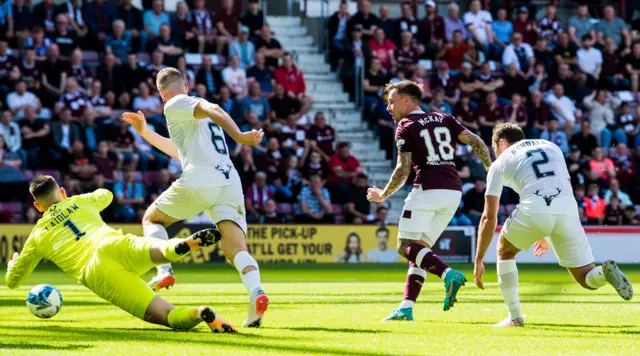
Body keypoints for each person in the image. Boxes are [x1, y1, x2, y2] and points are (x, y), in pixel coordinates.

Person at [122, 67, 269, 328]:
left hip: (202, 178)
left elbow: (215, 108)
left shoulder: (175, 104)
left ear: (161, 93)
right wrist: (144, 132)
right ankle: (257, 292)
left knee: (152, 219)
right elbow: (180, 152)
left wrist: (241, 137)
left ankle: (164, 271)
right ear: (186, 85)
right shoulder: (191, 117)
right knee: (236, 248)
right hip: (229, 180)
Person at [5, 175, 236, 333]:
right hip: (111, 243)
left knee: (166, 315)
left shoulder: (37, 236)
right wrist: (75, 201)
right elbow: (106, 194)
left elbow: (13, 281)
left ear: (38, 207)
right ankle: (178, 246)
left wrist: (12, 266)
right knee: (158, 251)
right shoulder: (79, 202)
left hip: (96, 272)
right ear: (62, 192)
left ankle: (200, 313)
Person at [473, 123, 633, 327]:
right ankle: (603, 272)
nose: (495, 153)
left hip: (535, 209)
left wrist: (478, 259)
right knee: (586, 279)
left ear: (501, 143)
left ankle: (515, 317)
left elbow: (489, 216)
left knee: (505, 251)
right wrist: (546, 231)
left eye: (494, 148)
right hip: (568, 208)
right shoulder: (550, 146)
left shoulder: (500, 162)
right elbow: (559, 183)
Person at [367, 80, 491, 320]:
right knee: (420, 251)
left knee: (405, 246)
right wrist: (490, 168)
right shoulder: (445, 118)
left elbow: (403, 171)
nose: (388, 107)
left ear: (407, 100)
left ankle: (448, 275)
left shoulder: (406, 125)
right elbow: (477, 142)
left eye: (391, 102)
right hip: (453, 192)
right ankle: (406, 308)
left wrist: (383, 194)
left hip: (427, 190)